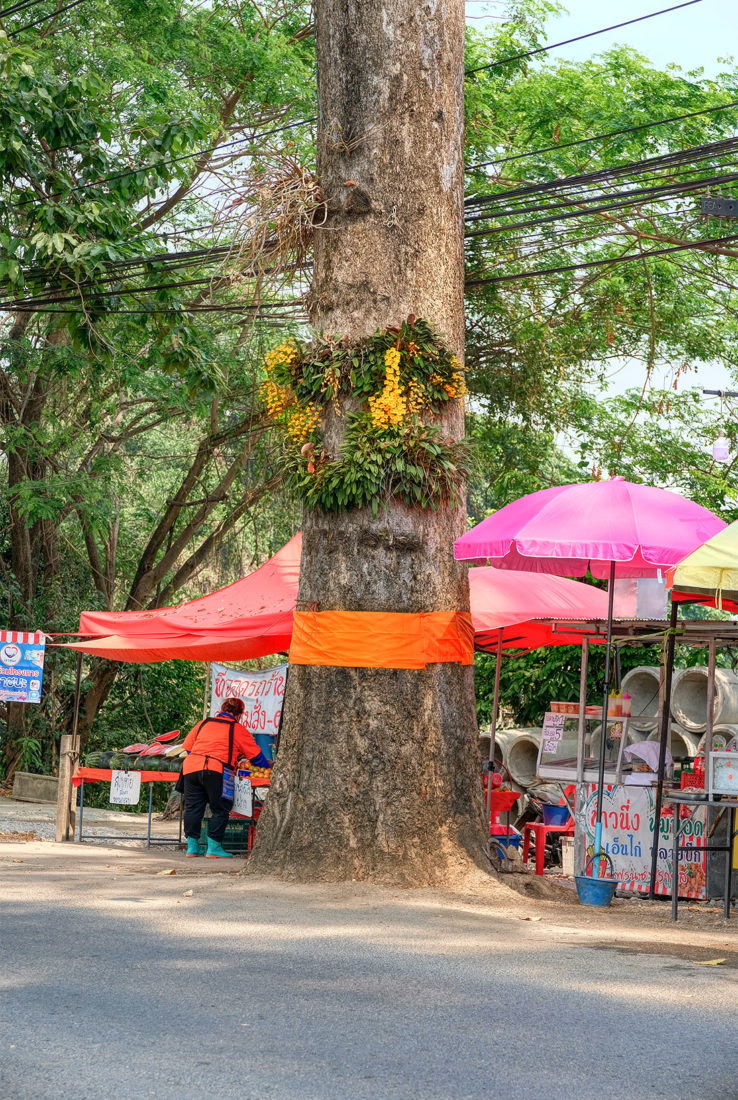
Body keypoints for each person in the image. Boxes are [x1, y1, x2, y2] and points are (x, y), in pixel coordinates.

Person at [181, 697, 272, 858]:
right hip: (218, 769)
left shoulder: (204, 723)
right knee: (221, 808)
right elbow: (256, 756)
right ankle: (213, 848)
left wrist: (200, 760)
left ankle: (192, 847)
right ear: (239, 715)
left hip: (191, 767)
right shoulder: (236, 728)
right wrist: (268, 768)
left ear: (221, 710)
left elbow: (188, 748)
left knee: (193, 807)